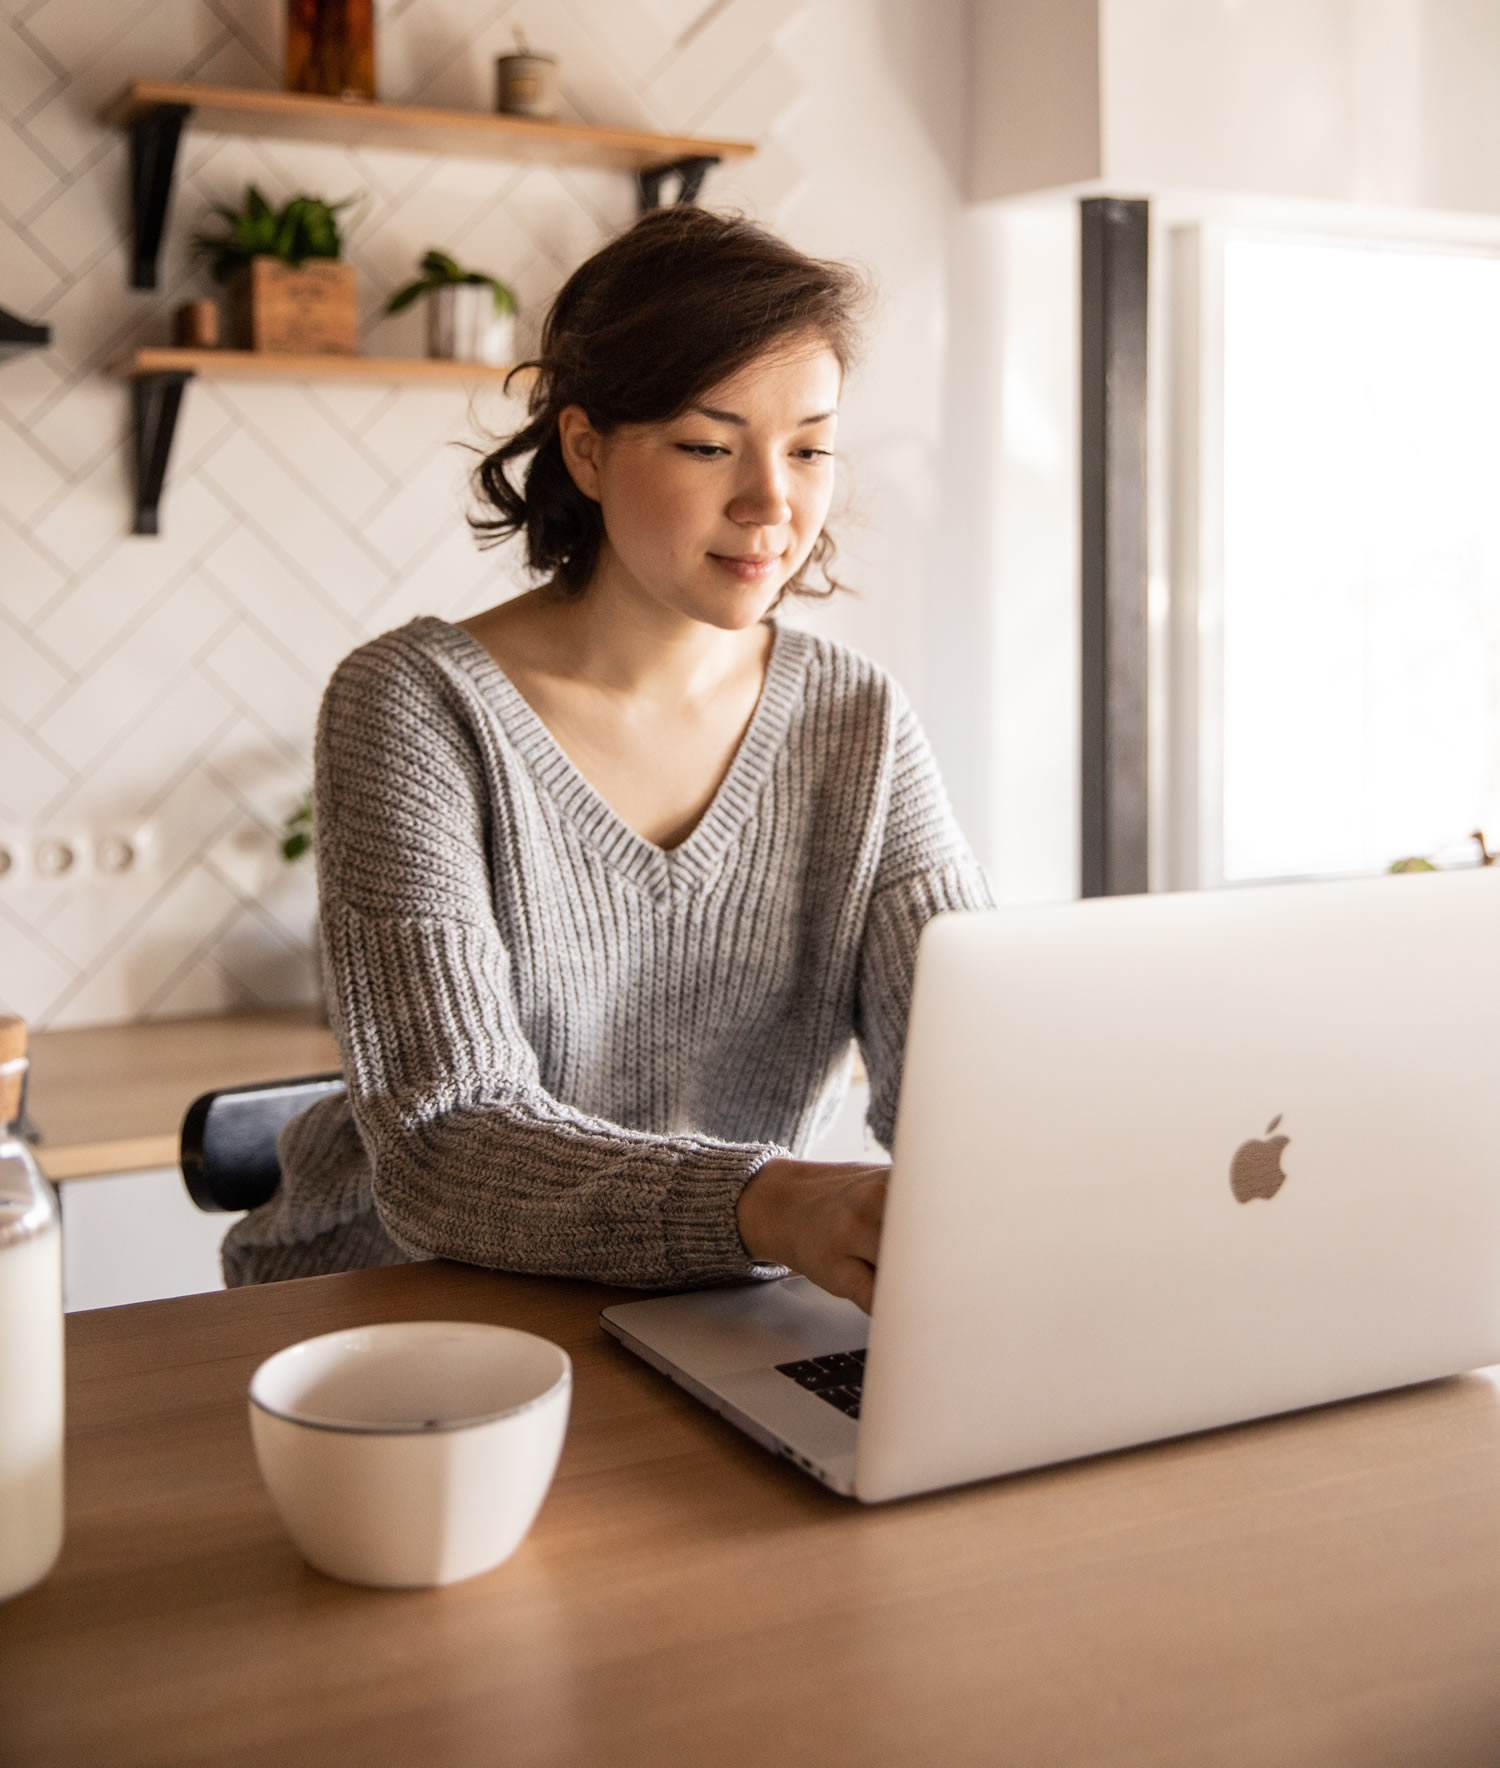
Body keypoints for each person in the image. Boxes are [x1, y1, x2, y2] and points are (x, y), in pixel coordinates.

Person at [222, 207, 992, 1311]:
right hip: (394, 1308)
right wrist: (764, 1201)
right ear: (585, 448)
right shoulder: (415, 704)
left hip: (694, 1306)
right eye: (708, 445)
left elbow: (971, 1075)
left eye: (810, 448)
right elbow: (445, 1140)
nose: (772, 502)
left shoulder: (857, 720)